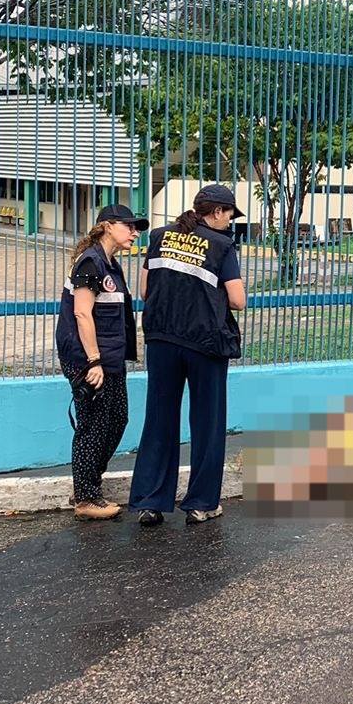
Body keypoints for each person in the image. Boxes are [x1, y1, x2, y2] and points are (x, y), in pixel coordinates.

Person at [129, 184, 247, 525]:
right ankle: (201, 504)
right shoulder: (223, 246)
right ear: (216, 212)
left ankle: (150, 502)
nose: (229, 222)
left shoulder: (161, 236)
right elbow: (237, 300)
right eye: (229, 215)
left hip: (162, 339)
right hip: (205, 343)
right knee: (207, 423)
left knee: (159, 419)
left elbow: (145, 289)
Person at [55, 203, 148, 521]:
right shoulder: (91, 262)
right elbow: (82, 313)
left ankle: (87, 485)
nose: (135, 232)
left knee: (117, 419)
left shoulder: (110, 263)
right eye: (129, 226)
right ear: (108, 226)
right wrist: (92, 361)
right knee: (92, 426)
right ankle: (85, 498)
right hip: (88, 358)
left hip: (110, 358)